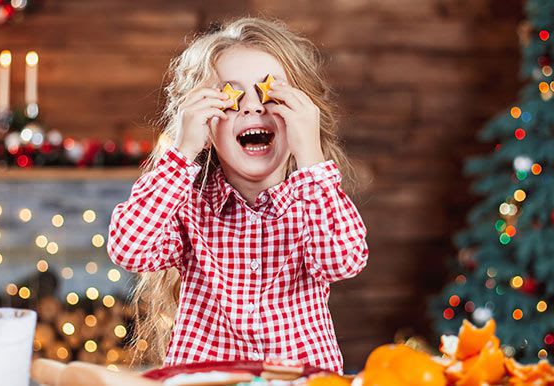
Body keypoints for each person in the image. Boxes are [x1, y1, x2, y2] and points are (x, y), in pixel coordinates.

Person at [107, 17, 368, 374]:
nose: (253, 106)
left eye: (271, 93)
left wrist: (311, 155)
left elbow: (342, 260)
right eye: (230, 97)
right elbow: (130, 248)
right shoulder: (187, 205)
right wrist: (182, 151)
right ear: (206, 124)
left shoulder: (315, 200)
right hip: (203, 379)